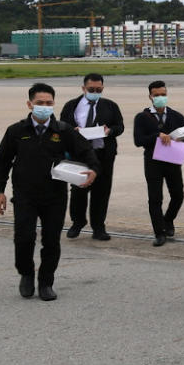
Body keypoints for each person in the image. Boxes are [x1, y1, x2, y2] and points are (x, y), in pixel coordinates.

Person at [0, 83, 99, 301]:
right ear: (29, 104)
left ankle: (46, 282)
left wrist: (94, 169)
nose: (44, 107)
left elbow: (86, 150)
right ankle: (26, 274)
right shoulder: (16, 131)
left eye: (48, 103)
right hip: (24, 196)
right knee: (23, 238)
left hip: (55, 197)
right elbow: (2, 161)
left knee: (51, 241)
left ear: (53, 104)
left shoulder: (63, 130)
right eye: (40, 103)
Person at [60, 73, 124, 240]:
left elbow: (120, 126)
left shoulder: (110, 106)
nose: (95, 92)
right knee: (78, 190)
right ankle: (78, 222)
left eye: (98, 89)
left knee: (101, 192)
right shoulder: (71, 106)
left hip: (103, 154)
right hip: (80, 155)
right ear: (83, 88)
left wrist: (110, 131)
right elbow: (62, 125)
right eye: (91, 89)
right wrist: (72, 131)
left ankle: (98, 227)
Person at [133, 80, 184, 247]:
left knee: (178, 195)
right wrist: (157, 136)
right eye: (157, 95)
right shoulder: (142, 117)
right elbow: (138, 141)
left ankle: (168, 220)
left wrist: (178, 137)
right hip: (153, 162)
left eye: (163, 95)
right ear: (150, 97)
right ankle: (159, 232)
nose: (160, 98)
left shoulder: (176, 116)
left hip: (173, 160)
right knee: (155, 198)